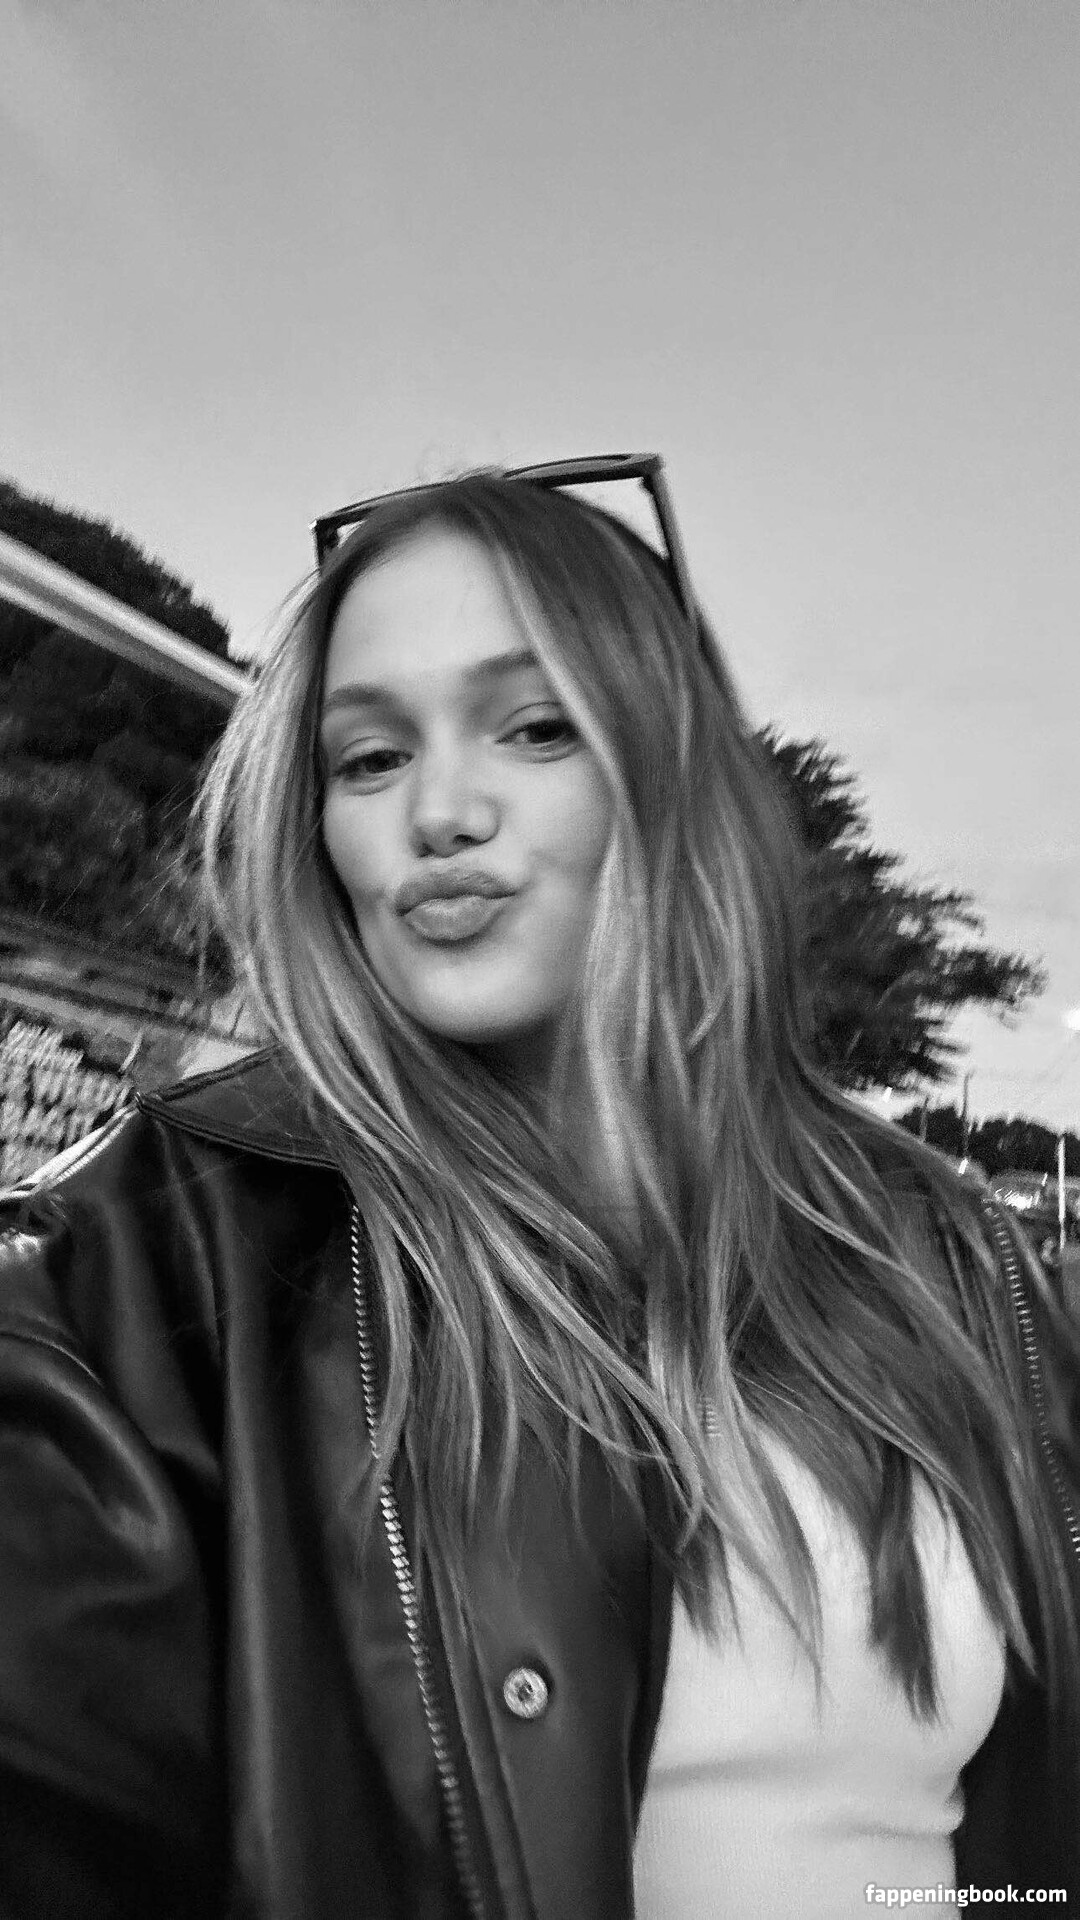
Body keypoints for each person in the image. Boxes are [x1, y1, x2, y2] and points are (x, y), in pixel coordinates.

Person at [1, 463, 1078, 1920]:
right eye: (368, 758)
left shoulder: (943, 1254)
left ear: (671, 776)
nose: (441, 811)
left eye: (536, 727)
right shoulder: (144, 1267)